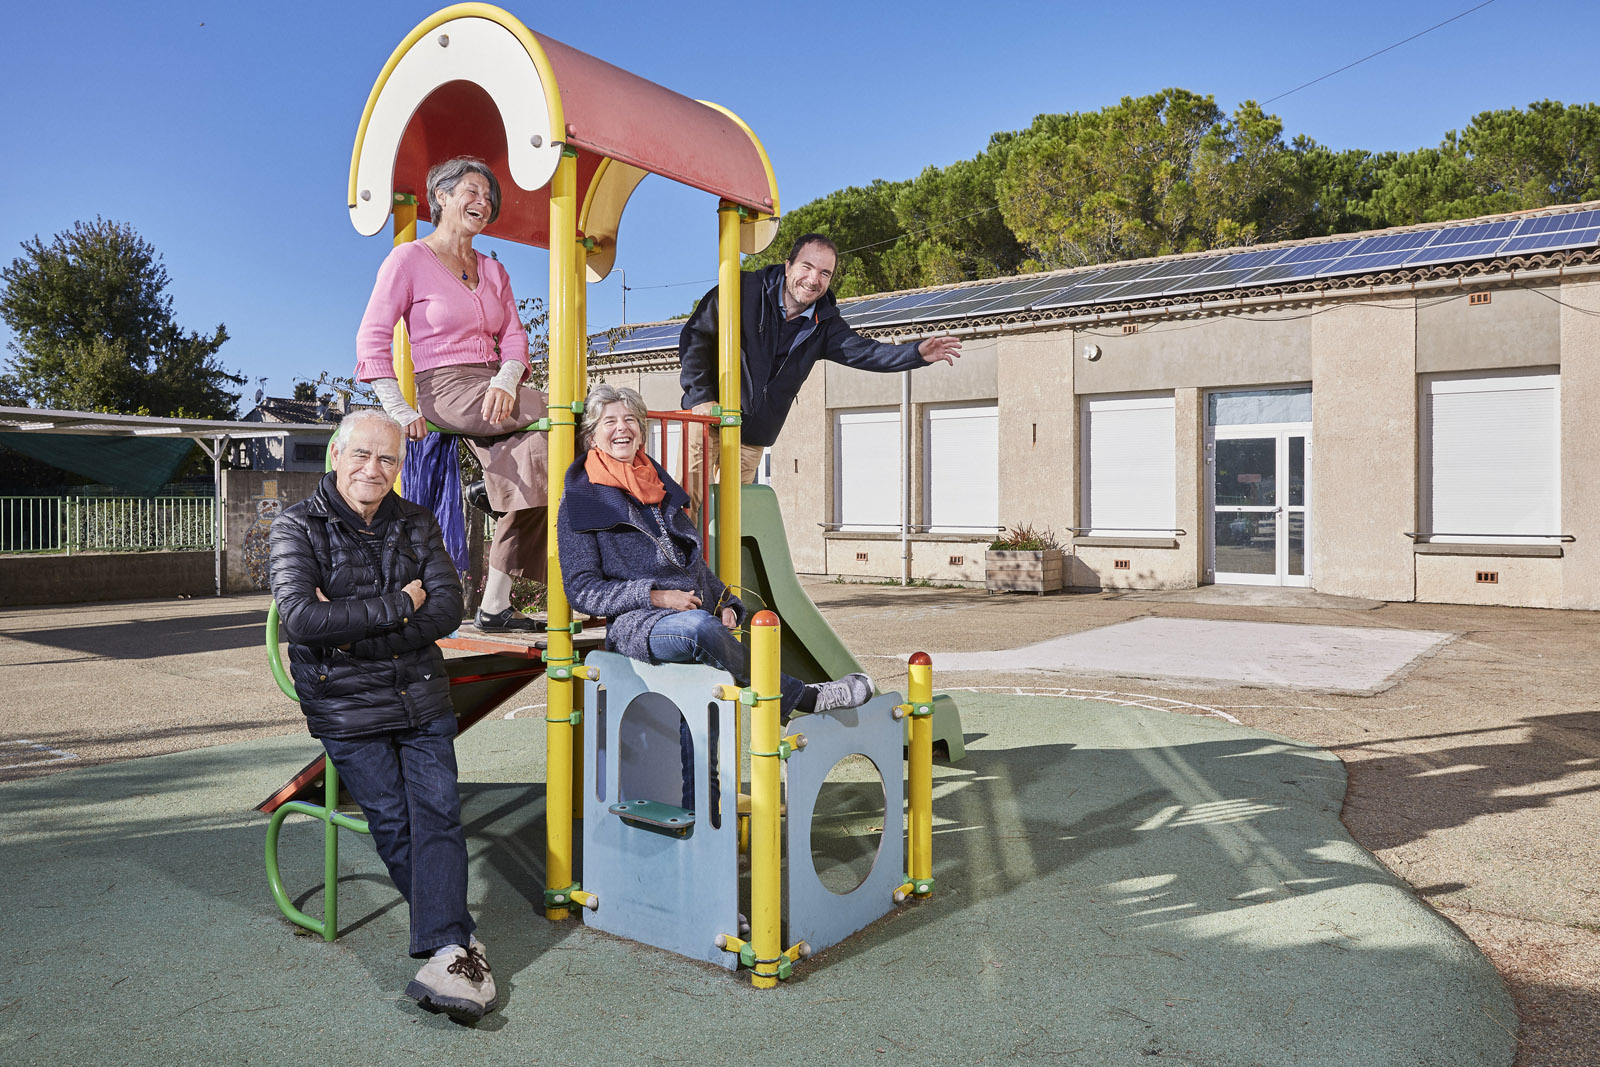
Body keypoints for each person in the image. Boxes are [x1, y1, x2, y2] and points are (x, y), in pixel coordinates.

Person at [269, 410, 498, 1023]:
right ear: (337, 456)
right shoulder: (298, 525)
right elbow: (301, 620)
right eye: (363, 456)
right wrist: (400, 604)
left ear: (399, 465)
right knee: (395, 818)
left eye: (388, 459)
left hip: (419, 693)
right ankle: (458, 945)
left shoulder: (416, 521)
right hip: (344, 700)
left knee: (439, 813)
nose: (375, 469)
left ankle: (449, 950)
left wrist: (356, 630)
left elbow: (447, 609)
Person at [558, 384, 874, 803]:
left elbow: (692, 565)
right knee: (697, 631)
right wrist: (654, 597)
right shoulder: (580, 500)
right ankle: (803, 697)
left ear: (642, 430)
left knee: (704, 683)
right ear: (591, 436)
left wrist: (726, 603)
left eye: (630, 420)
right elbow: (582, 590)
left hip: (690, 617)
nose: (622, 429)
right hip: (637, 624)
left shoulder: (656, 487)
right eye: (610, 422)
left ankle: (706, 806)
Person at [356, 155, 548, 633]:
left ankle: (496, 605)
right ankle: (487, 492)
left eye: (488, 197)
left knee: (540, 464)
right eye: (471, 191)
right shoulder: (409, 260)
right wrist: (397, 408)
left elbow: (516, 338)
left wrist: (506, 378)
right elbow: (372, 337)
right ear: (440, 196)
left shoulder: (493, 270)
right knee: (564, 411)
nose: (482, 202)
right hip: (445, 385)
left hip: (496, 384)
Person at [677, 233, 963, 515]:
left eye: (825, 273)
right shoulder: (743, 289)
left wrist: (917, 354)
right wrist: (700, 396)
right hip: (708, 418)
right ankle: (675, 561)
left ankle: (713, 564)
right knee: (688, 502)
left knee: (733, 517)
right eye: (807, 267)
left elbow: (867, 352)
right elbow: (696, 336)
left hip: (750, 435)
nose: (814, 280)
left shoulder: (824, 323)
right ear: (788, 265)